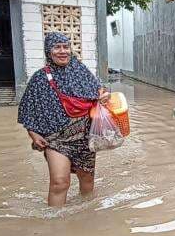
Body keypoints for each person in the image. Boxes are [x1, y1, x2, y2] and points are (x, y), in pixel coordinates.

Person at [17, 32, 110, 207]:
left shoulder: (81, 72)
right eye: (57, 47)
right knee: (60, 182)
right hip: (56, 139)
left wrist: (105, 95)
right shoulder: (40, 78)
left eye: (66, 47)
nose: (62, 51)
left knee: (87, 181)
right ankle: (54, 225)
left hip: (84, 137)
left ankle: (88, 217)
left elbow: (100, 92)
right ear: (48, 51)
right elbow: (28, 110)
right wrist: (33, 133)